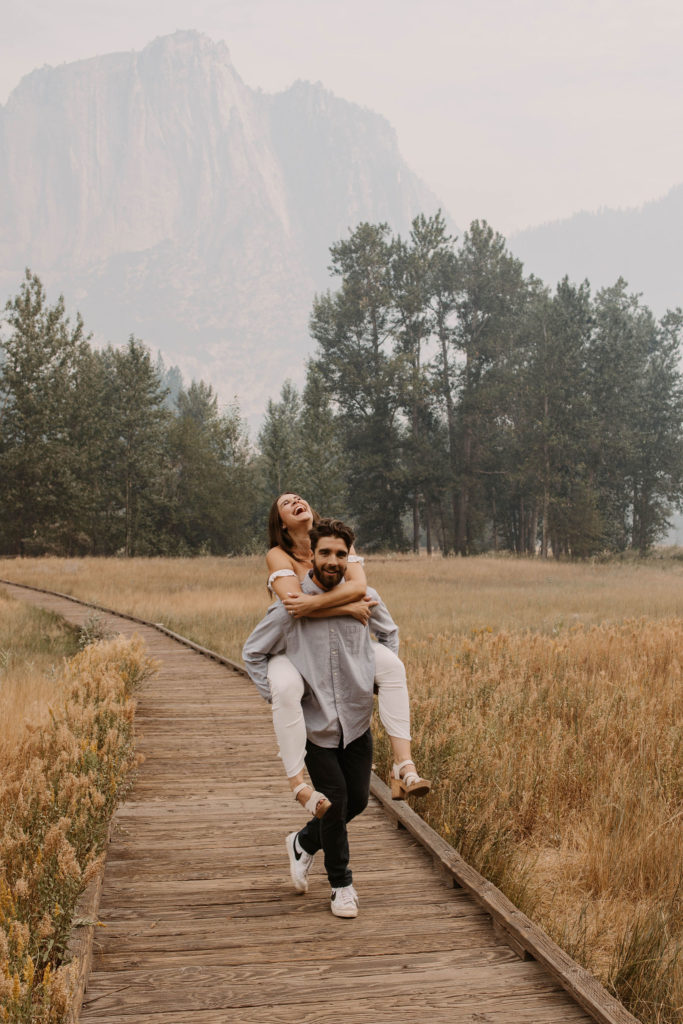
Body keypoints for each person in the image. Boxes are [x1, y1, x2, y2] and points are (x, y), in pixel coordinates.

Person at [243, 518, 400, 918]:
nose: (333, 561)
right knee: (334, 801)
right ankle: (341, 884)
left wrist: (377, 679)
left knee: (359, 801)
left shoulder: (366, 596)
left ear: (351, 557)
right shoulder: (290, 605)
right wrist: (281, 702)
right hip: (316, 725)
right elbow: (253, 653)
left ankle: (303, 842)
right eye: (325, 553)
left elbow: (390, 634)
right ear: (311, 554)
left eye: (341, 554)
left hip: (355, 719)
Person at [264, 492, 430, 817]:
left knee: (393, 668)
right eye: (287, 502)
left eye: (300, 497)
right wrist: (344, 606)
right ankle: (298, 783)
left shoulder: (338, 542)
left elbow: (359, 589)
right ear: (281, 524)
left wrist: (313, 604)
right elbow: (292, 605)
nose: (297, 501)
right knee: (286, 689)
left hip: (348, 641)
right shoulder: (277, 555)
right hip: (303, 645)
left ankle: (403, 765)